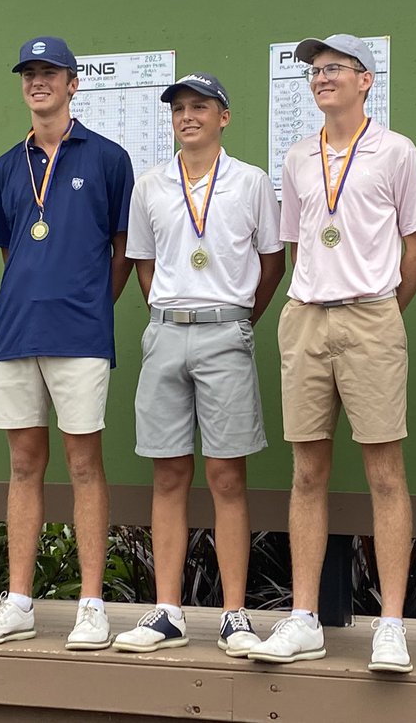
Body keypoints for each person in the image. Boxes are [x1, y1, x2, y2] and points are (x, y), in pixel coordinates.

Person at [248, 34, 416, 673]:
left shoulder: (397, 152)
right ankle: (302, 618)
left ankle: (391, 624)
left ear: (365, 81)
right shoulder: (298, 157)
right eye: (314, 70)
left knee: (385, 472)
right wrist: (321, 300)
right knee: (306, 471)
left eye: (335, 69)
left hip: (371, 319)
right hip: (305, 321)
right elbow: (298, 244)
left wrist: (380, 310)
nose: (321, 78)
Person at [0, 36, 134, 648]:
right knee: (23, 465)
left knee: (85, 463)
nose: (38, 82)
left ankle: (91, 604)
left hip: (82, 334)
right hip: (15, 333)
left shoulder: (110, 159)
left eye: (49, 73)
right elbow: (13, 253)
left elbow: (122, 252)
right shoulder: (4, 168)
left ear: (73, 83)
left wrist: (89, 306)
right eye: (29, 74)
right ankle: (20, 602)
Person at [114, 72, 285, 656]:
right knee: (167, 474)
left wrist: (240, 321)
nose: (188, 116)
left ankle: (235, 613)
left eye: (201, 107)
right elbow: (144, 264)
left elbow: (272, 263)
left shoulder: (252, 182)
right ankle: (167, 611)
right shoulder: (150, 185)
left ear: (223, 117)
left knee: (226, 476)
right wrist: (168, 314)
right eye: (179, 108)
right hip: (165, 334)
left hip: (226, 332)